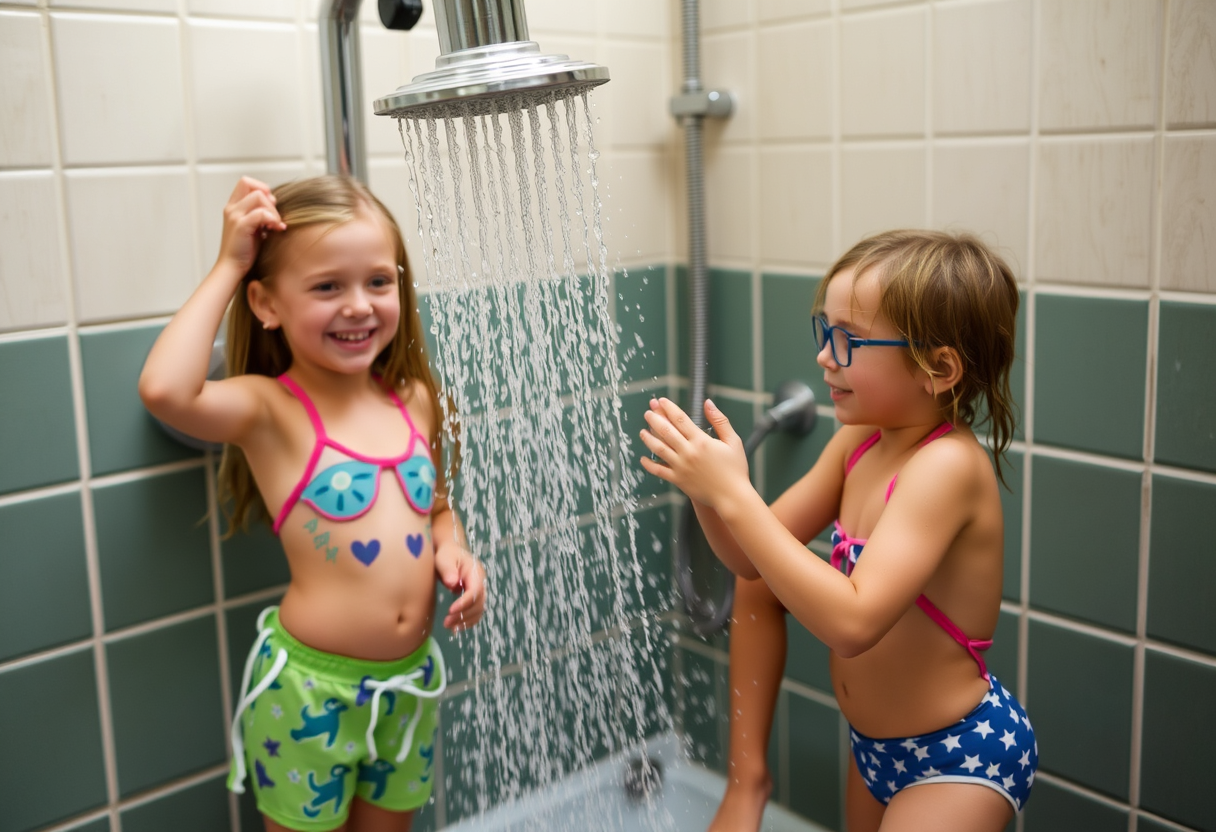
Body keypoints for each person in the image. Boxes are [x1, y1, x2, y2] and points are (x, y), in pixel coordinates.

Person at [640, 230, 1035, 831]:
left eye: (848, 340)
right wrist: (707, 496)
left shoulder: (947, 466)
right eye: (825, 332)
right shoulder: (858, 442)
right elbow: (751, 566)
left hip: (959, 755)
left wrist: (735, 494)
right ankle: (749, 784)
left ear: (939, 367)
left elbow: (853, 623)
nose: (826, 356)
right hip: (875, 750)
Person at [141, 175, 486, 832]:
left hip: (407, 686)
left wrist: (455, 548)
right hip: (311, 691)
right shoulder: (273, 411)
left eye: (379, 282)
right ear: (267, 304)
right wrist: (229, 264)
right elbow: (165, 390)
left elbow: (433, 504)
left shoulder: (412, 396)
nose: (358, 305)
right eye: (328, 286)